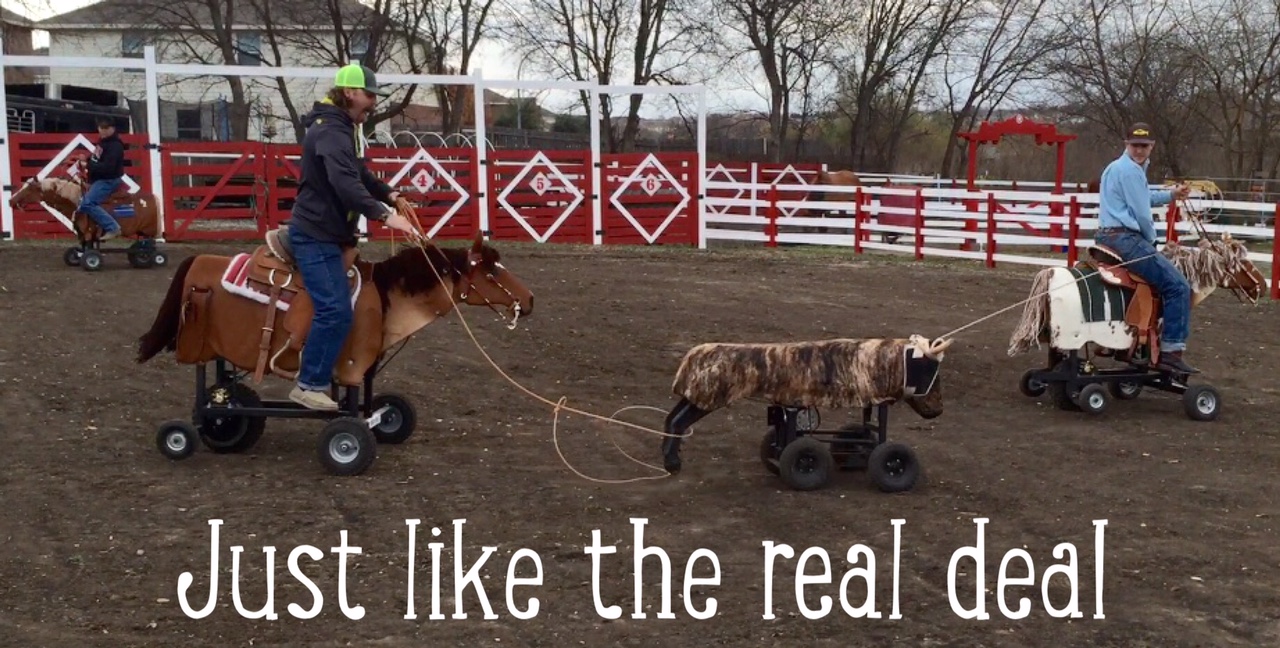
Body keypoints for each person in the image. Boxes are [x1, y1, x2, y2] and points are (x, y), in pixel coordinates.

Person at [286, 63, 421, 410]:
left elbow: (359, 174)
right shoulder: (332, 132)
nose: (373, 102)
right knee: (334, 310)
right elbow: (345, 184)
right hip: (315, 235)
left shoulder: (342, 129)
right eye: (368, 95)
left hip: (328, 234)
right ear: (349, 93)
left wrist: (389, 194)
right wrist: (386, 216)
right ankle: (308, 384)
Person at [1094, 122, 1196, 374]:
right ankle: (1171, 351)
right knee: (1179, 287)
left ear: (1151, 147)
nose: (1139, 150)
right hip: (1126, 238)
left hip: (1107, 236)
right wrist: (1151, 241)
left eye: (1144, 146)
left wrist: (1171, 195)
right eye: (1135, 146)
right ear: (1126, 145)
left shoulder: (1116, 168)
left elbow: (1142, 196)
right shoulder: (1131, 171)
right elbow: (1142, 214)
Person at [78, 116, 127, 240]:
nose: (102, 130)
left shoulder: (115, 146)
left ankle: (113, 227)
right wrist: (87, 162)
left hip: (109, 180)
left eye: (106, 128)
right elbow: (96, 160)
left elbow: (108, 168)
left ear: (113, 129)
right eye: (101, 127)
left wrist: (87, 165)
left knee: (87, 203)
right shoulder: (102, 143)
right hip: (100, 180)